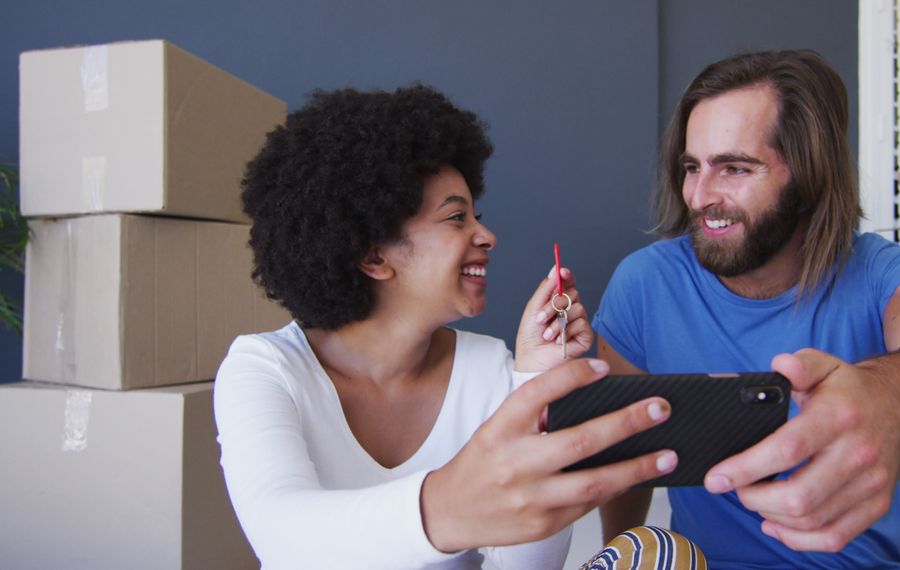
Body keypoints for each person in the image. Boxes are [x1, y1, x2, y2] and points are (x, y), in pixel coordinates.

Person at [213, 85, 680, 569]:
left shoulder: (490, 370)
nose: (486, 235)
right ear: (373, 255)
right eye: (456, 218)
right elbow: (281, 534)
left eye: (477, 215)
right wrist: (447, 506)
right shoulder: (265, 369)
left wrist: (534, 384)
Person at [592, 50, 900, 568]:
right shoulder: (645, 281)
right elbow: (628, 450)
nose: (699, 196)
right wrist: (623, 549)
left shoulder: (885, 272)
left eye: (735, 168)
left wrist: (891, 394)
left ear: (807, 175)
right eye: (692, 168)